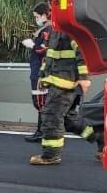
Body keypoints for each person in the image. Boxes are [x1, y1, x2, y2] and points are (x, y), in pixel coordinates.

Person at [30, 23, 93, 165]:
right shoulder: (55, 29)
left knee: (51, 117)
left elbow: (82, 51)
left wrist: (84, 78)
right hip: (61, 81)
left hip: (65, 83)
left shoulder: (69, 28)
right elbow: (50, 55)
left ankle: (50, 155)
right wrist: (42, 74)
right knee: (70, 121)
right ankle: (99, 138)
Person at [23, 2, 51, 142]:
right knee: (40, 102)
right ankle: (41, 131)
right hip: (37, 69)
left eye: (37, 17)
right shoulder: (45, 29)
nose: (36, 19)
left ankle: (42, 132)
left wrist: (32, 45)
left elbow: (43, 49)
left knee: (40, 102)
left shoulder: (48, 29)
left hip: (40, 70)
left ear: (45, 15)